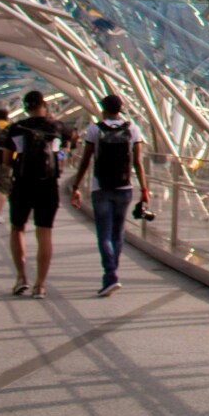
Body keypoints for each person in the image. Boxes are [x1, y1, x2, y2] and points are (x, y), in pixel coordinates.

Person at [68, 95, 148, 298]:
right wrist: (144, 191)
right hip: (125, 187)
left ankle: (110, 274)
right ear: (121, 109)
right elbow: (138, 162)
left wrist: (76, 185)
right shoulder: (132, 129)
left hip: (100, 187)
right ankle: (113, 272)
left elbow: (86, 160)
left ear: (103, 109)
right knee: (118, 232)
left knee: (103, 234)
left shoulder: (95, 129)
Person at [6, 91, 72, 298]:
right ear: (45, 104)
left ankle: (21, 277)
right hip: (48, 185)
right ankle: (40, 285)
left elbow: (7, 158)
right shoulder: (56, 127)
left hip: (22, 184)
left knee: (17, 228)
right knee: (44, 232)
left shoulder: (16, 128)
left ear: (26, 107)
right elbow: (69, 145)